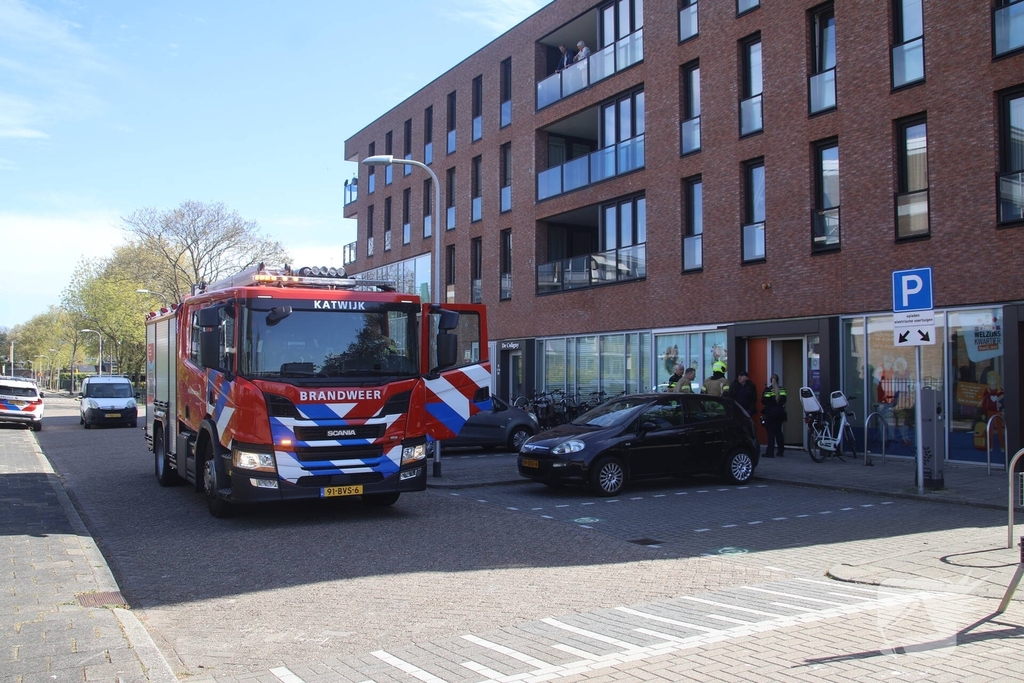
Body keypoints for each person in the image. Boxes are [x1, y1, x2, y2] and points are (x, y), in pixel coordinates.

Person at [761, 374, 787, 458]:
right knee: (779, 432)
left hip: (771, 413)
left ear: (770, 380)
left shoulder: (769, 390)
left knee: (771, 433)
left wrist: (764, 391)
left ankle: (770, 452)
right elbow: (784, 400)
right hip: (780, 412)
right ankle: (780, 451)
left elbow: (763, 401)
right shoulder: (782, 389)